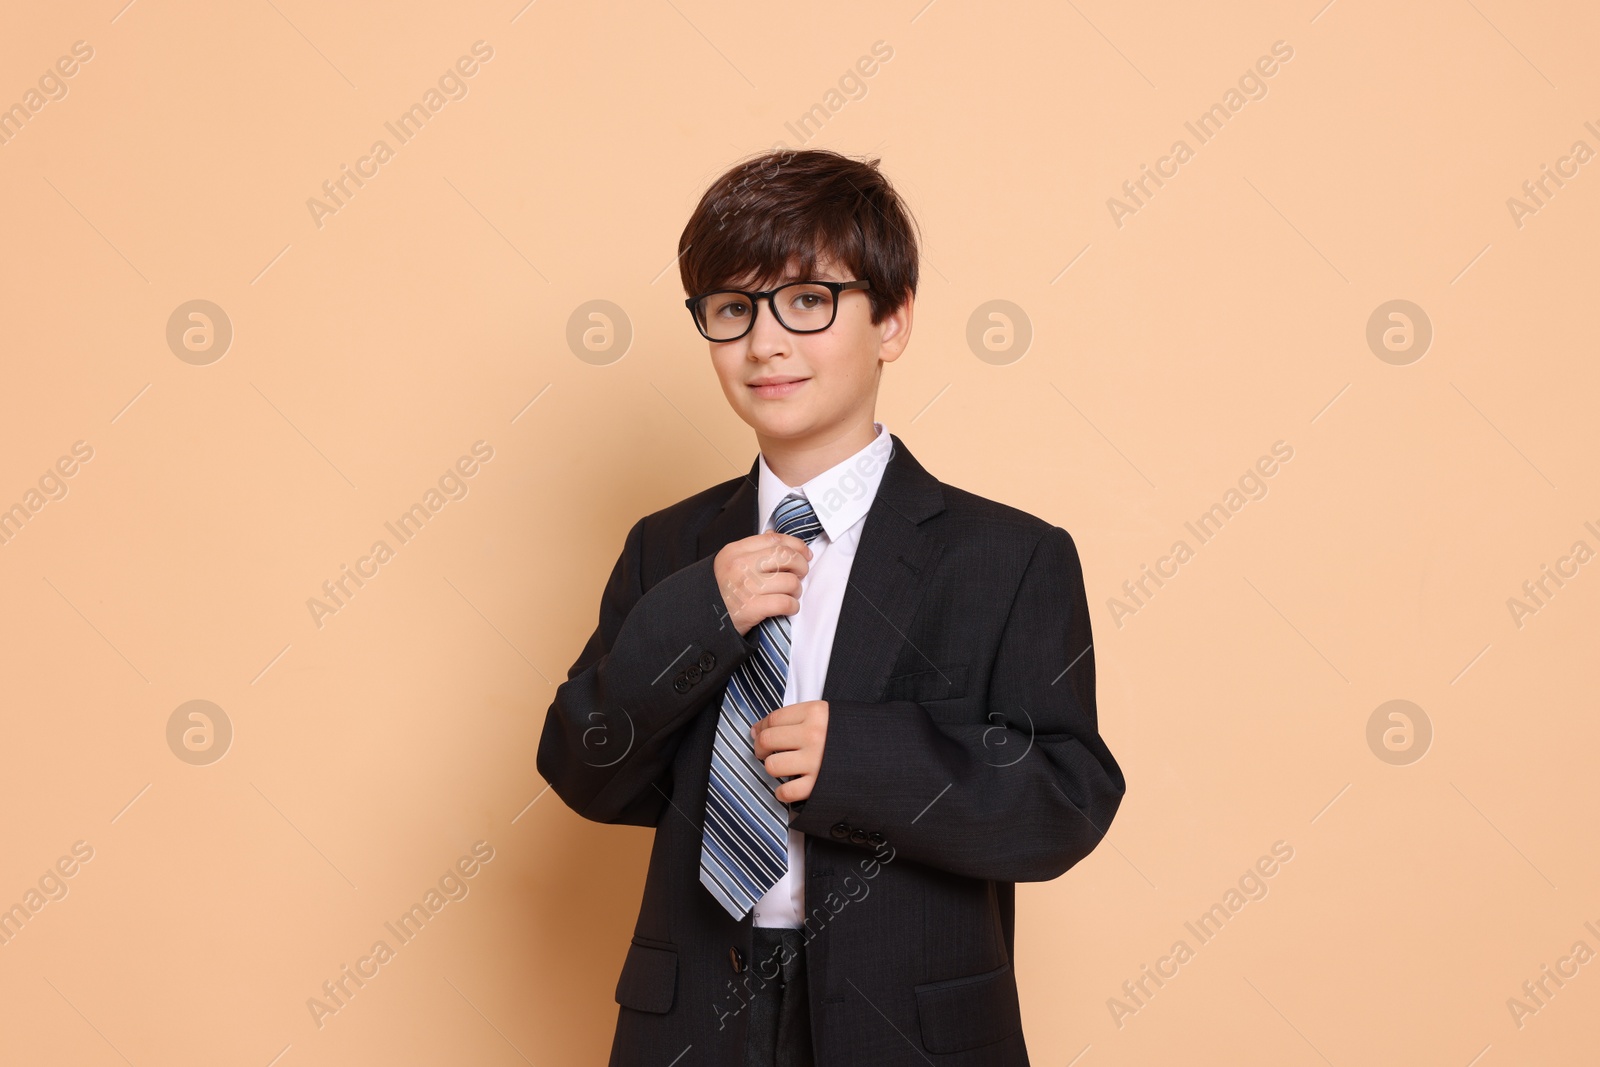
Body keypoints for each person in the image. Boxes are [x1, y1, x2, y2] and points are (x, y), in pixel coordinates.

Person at [536, 147, 1125, 1066]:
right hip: (692, 1016)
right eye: (732, 310)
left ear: (891, 320)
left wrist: (861, 758)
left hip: (911, 1020)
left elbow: (1065, 801)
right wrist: (700, 616)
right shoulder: (670, 548)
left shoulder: (1008, 556)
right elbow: (585, 769)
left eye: (807, 301)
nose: (765, 343)